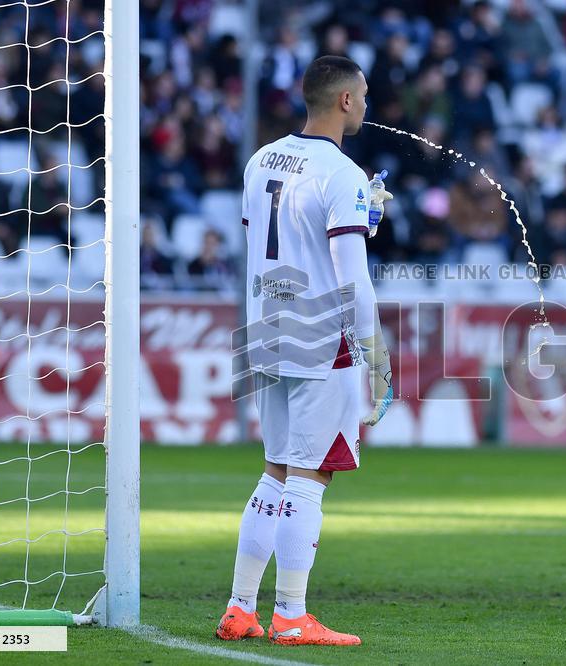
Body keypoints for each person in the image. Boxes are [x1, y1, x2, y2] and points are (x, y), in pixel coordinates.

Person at [216, 56, 392, 647]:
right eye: (362, 95)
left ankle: (241, 607)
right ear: (344, 101)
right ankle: (291, 614)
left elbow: (274, 241)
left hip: (266, 330)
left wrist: (365, 218)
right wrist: (375, 350)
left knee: (276, 470)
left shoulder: (261, 159)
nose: (365, 104)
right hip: (321, 340)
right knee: (310, 477)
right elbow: (352, 278)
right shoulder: (342, 174)